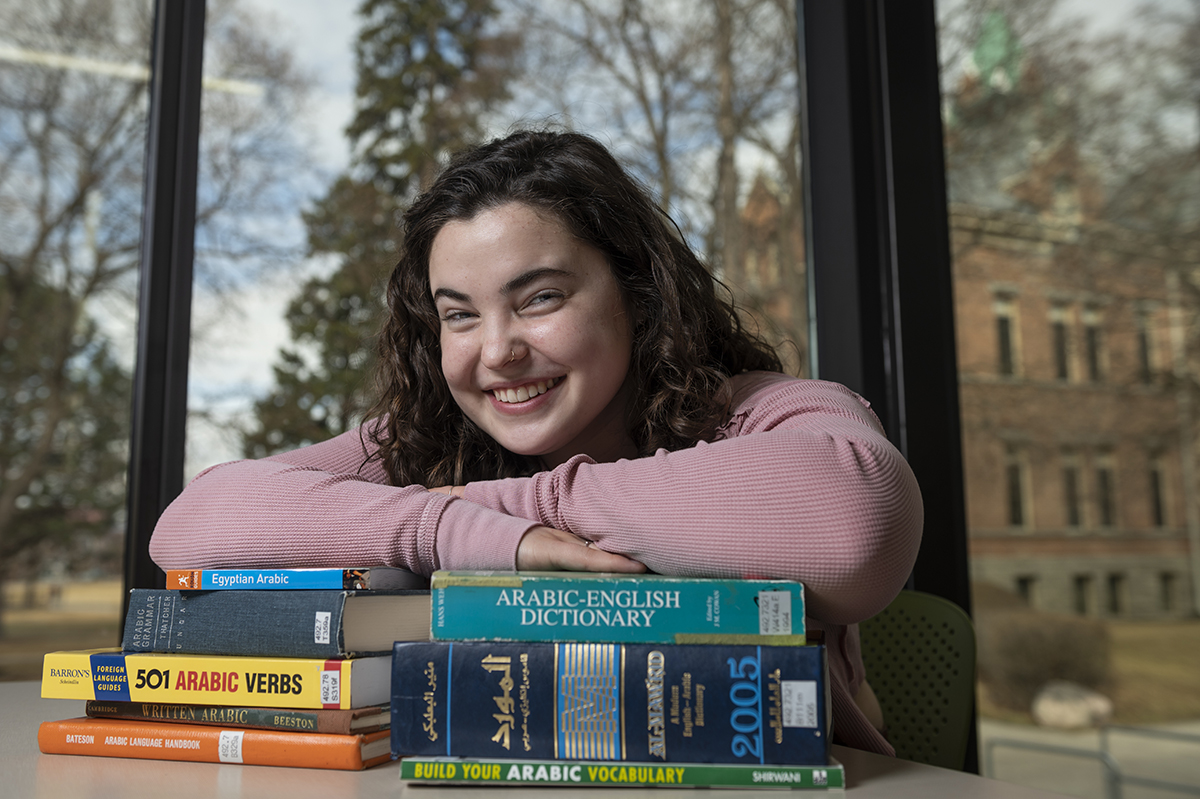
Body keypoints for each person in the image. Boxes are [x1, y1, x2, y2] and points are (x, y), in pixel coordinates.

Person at [149, 129, 923, 756]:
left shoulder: (762, 413)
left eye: (540, 298)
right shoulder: (427, 440)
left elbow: (855, 528)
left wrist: (532, 506)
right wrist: (454, 528)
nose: (497, 351)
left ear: (639, 294)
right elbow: (189, 526)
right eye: (459, 314)